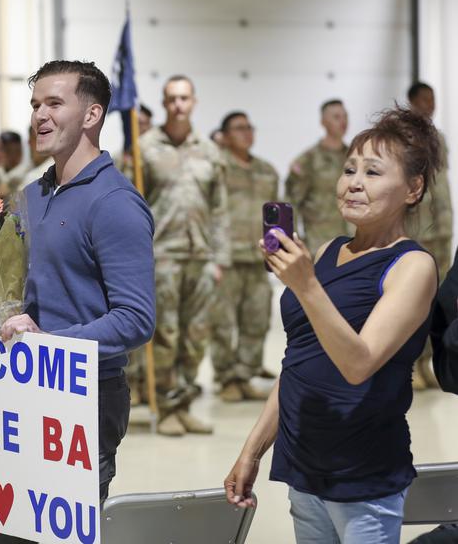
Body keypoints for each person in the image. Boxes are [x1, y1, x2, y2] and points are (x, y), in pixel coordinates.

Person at [225, 107, 441, 543]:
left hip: (363, 475)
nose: (354, 183)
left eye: (373, 172)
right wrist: (252, 451)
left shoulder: (412, 266)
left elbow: (358, 364)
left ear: (413, 188)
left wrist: (305, 286)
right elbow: (298, 363)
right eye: (349, 170)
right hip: (303, 467)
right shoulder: (326, 251)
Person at [0, 60, 155, 543]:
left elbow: (135, 319)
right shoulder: (29, 195)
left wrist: (50, 343)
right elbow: (2, 293)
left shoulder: (115, 202)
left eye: (54, 103)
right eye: (35, 105)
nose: (39, 116)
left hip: (83, 399)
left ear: (92, 115)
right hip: (16, 390)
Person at [135, 74, 229, 436]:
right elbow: (132, 205)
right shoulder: (145, 149)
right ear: (163, 103)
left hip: (201, 256)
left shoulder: (209, 150)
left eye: (184, 98)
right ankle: (167, 405)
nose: (178, 105)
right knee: (166, 335)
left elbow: (219, 209)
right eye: (171, 98)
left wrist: (219, 258)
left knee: (196, 335)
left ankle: (186, 401)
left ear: (194, 102)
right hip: (163, 256)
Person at [211, 112, 277, 402]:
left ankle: (245, 374)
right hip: (226, 256)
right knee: (222, 323)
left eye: (250, 127)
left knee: (257, 319)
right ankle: (226, 377)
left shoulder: (266, 170)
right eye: (239, 128)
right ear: (224, 135)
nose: (247, 133)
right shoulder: (216, 168)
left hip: (258, 255)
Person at [407, 81, 452, 390]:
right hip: (418, 229)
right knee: (414, 299)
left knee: (439, 300)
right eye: (424, 99)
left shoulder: (438, 138)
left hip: (442, 230)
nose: (430, 104)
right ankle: (411, 363)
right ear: (412, 102)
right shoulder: (406, 139)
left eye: (433, 99)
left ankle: (430, 362)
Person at [286, 99, 351, 254]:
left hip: (354, 244)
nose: (343, 121)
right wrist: (295, 244)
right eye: (336, 117)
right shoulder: (307, 161)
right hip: (320, 245)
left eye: (345, 116)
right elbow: (291, 204)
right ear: (323, 122)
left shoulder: (354, 157)